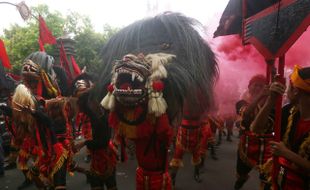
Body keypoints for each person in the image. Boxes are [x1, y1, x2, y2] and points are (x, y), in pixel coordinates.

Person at [251, 65, 310, 190]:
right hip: (278, 179)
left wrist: (286, 153)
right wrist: (271, 100)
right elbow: (256, 128)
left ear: (295, 91)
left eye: (289, 86)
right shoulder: (289, 111)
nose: (286, 89)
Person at [234, 74, 273, 190]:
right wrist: (261, 95)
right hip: (247, 146)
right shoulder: (241, 102)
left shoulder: (271, 104)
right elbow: (245, 114)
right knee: (241, 175)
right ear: (249, 87)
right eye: (255, 85)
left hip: (267, 149)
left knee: (267, 180)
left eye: (261, 86)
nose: (258, 88)